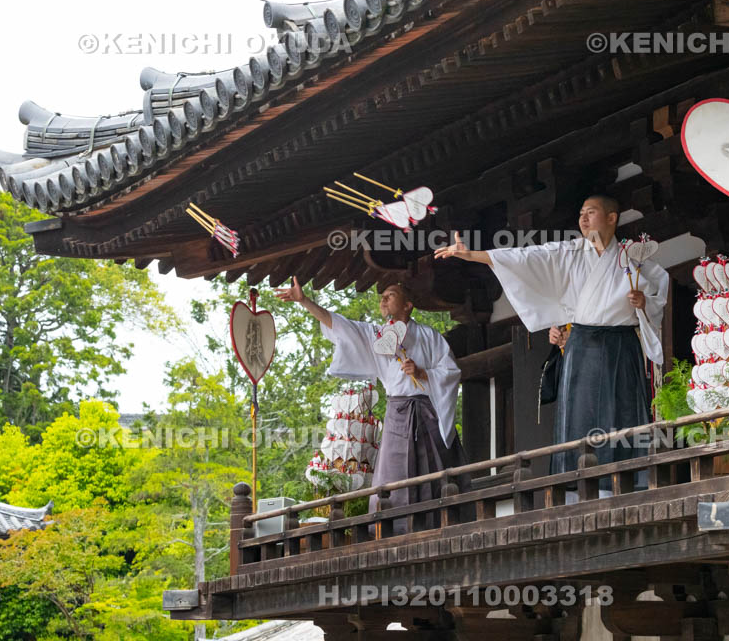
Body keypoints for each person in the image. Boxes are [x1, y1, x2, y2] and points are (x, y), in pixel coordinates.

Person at [434, 196, 669, 491]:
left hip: (620, 345)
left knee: (619, 410)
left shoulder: (632, 259)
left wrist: (644, 301)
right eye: (581, 213)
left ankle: (627, 479)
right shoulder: (570, 252)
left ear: (612, 218)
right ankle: (575, 483)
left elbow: (659, 293)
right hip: (582, 345)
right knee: (579, 414)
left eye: (591, 212)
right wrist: (473, 256)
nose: (583, 219)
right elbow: (527, 258)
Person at [274, 279, 466, 530]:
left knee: (437, 473)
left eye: (391, 294)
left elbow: (451, 371)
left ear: (408, 305)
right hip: (397, 414)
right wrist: (304, 301)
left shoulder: (429, 336)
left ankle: (444, 525)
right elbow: (342, 327)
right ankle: (391, 531)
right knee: (393, 478)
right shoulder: (378, 335)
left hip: (429, 412)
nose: (383, 299)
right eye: (382, 295)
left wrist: (423, 374)